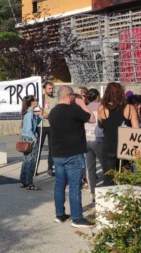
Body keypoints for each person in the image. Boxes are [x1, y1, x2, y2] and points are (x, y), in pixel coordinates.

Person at [49, 86, 95, 228]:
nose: (75, 98)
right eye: (74, 96)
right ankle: (76, 218)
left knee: (59, 184)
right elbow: (92, 119)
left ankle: (60, 214)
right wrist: (82, 105)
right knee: (75, 185)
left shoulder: (53, 111)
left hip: (57, 154)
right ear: (69, 96)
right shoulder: (74, 109)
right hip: (73, 153)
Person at [98, 82, 140, 187]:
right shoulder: (130, 108)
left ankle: (109, 201)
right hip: (126, 148)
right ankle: (126, 200)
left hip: (109, 147)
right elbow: (136, 129)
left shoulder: (102, 108)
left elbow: (100, 125)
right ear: (121, 92)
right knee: (127, 177)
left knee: (109, 177)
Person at [19, 96, 42, 190]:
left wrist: (40, 115)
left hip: (27, 138)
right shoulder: (29, 114)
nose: (37, 101)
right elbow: (28, 129)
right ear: (32, 102)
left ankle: (24, 180)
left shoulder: (30, 113)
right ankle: (29, 183)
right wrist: (35, 139)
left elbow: (34, 124)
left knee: (26, 160)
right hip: (30, 139)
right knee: (31, 161)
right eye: (36, 100)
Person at [83, 88, 103, 201]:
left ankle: (92, 192)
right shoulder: (101, 107)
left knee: (90, 167)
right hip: (99, 138)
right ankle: (107, 189)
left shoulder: (85, 108)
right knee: (105, 165)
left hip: (86, 139)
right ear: (97, 97)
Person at [39, 81, 58, 176]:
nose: (51, 90)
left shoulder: (55, 99)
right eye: (49, 88)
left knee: (52, 148)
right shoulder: (39, 98)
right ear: (44, 89)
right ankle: (35, 168)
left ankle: (50, 168)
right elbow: (33, 110)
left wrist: (51, 115)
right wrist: (41, 113)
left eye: (52, 88)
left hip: (52, 126)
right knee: (39, 147)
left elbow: (59, 111)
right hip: (41, 126)